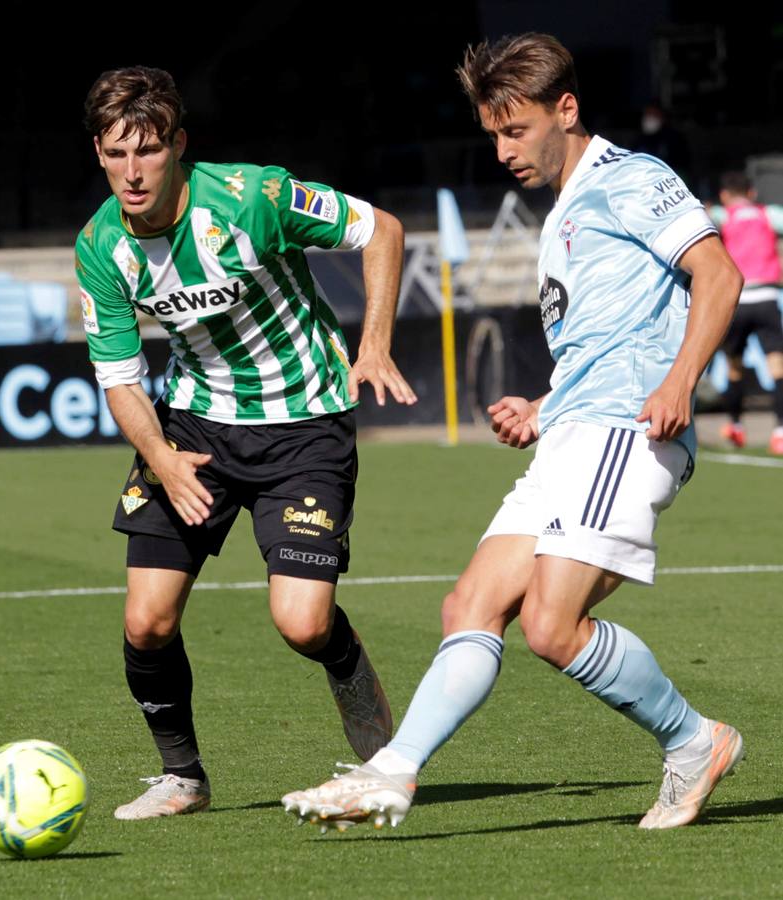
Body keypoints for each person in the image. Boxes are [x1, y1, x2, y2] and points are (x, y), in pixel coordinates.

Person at [282, 33, 744, 833]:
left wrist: (678, 382)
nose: (501, 150)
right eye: (492, 133)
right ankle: (391, 774)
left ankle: (691, 741)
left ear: (565, 110)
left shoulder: (630, 178)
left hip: (626, 432)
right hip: (576, 428)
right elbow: (606, 334)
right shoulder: (563, 210)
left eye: (514, 129)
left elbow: (719, 273)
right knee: (469, 602)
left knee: (549, 627)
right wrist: (542, 406)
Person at [75, 66, 417, 820]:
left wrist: (374, 344)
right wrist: (161, 458)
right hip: (194, 427)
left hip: (303, 425)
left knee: (301, 622)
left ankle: (346, 668)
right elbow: (122, 379)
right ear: (98, 153)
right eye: (115, 154)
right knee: (146, 619)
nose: (132, 173)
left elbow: (381, 229)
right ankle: (182, 779)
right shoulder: (101, 247)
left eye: (148, 151)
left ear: (178, 147)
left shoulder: (252, 197)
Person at [708, 171, 783, 454]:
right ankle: (780, 432)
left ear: (726, 196)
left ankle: (736, 426)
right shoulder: (768, 215)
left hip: (738, 300)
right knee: (778, 367)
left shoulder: (723, 215)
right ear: (752, 193)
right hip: (767, 298)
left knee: (734, 367)